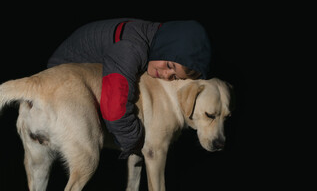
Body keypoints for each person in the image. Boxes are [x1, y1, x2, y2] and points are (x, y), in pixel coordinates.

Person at [47, 18, 211, 159]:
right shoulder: (131, 49)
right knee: (93, 152)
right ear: (165, 45)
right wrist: (136, 141)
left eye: (175, 76)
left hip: (72, 79)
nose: (167, 75)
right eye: (169, 65)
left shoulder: (150, 35)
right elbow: (115, 108)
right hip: (57, 83)